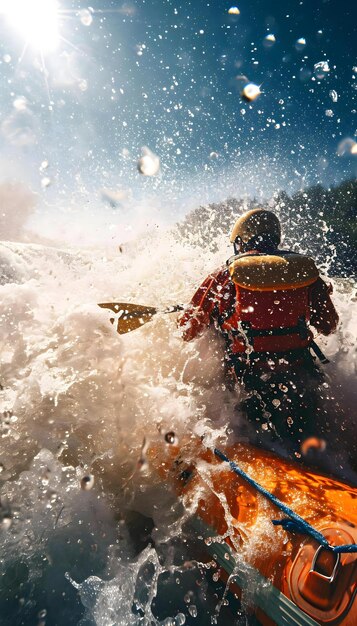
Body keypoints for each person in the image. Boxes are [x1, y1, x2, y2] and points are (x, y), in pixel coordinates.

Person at [178, 208, 339, 454]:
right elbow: (329, 326)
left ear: (242, 241)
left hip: (248, 383)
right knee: (314, 444)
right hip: (302, 377)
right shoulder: (305, 273)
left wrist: (216, 317)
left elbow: (187, 330)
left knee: (259, 443)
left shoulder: (223, 276)